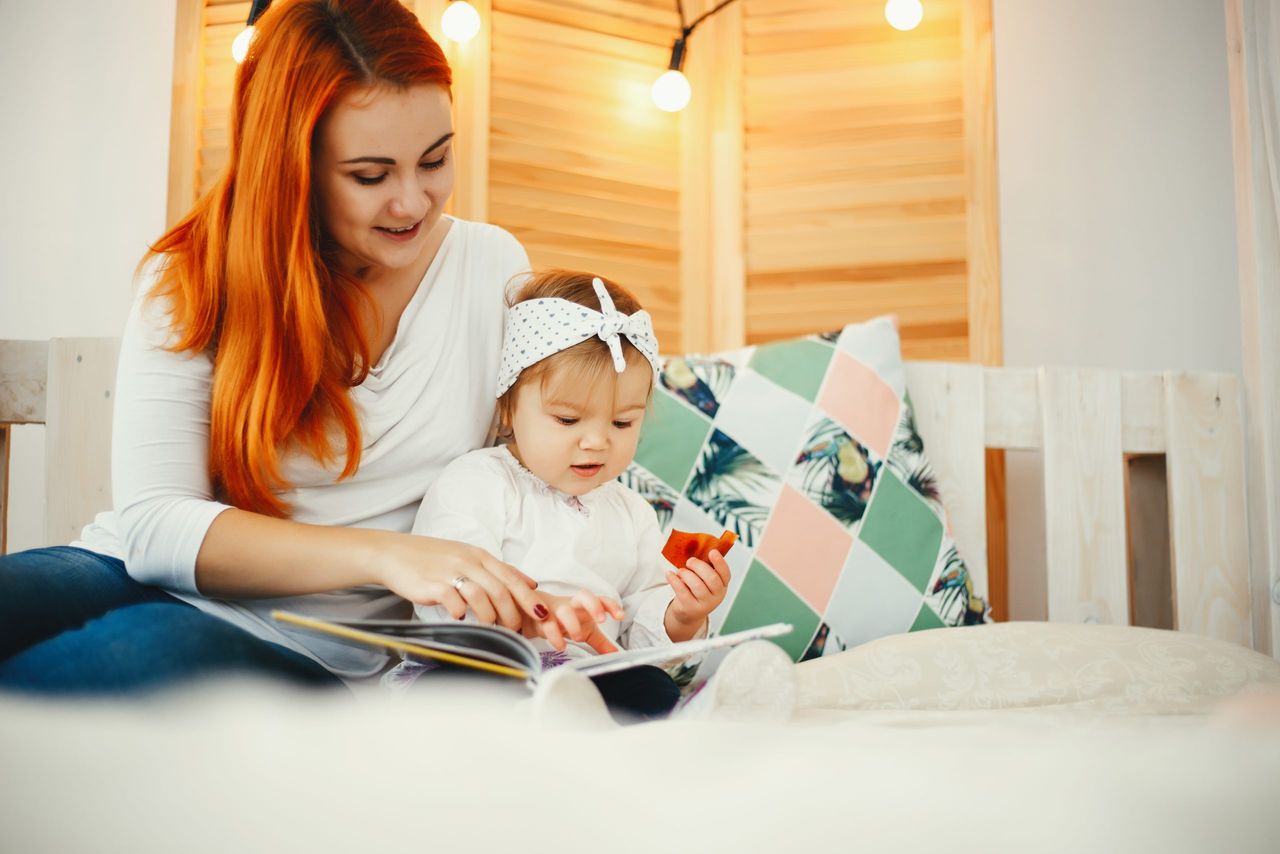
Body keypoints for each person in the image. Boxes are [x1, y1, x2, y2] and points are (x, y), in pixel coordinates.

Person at [0, 0, 580, 693]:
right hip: (129, 572)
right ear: (293, 166)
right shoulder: (195, 272)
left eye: (434, 160)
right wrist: (390, 556)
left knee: (142, 651)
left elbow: (543, 461)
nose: (413, 202)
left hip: (319, 649)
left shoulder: (491, 268)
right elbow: (156, 529)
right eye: (370, 175)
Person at [394, 270, 733, 719]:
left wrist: (683, 615)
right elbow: (445, 593)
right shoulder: (477, 483)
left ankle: (714, 714)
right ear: (509, 409)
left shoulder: (631, 513)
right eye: (568, 420)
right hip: (486, 667)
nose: (596, 441)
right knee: (464, 692)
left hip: (587, 678)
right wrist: (531, 614)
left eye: (622, 423)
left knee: (650, 688)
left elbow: (635, 634)